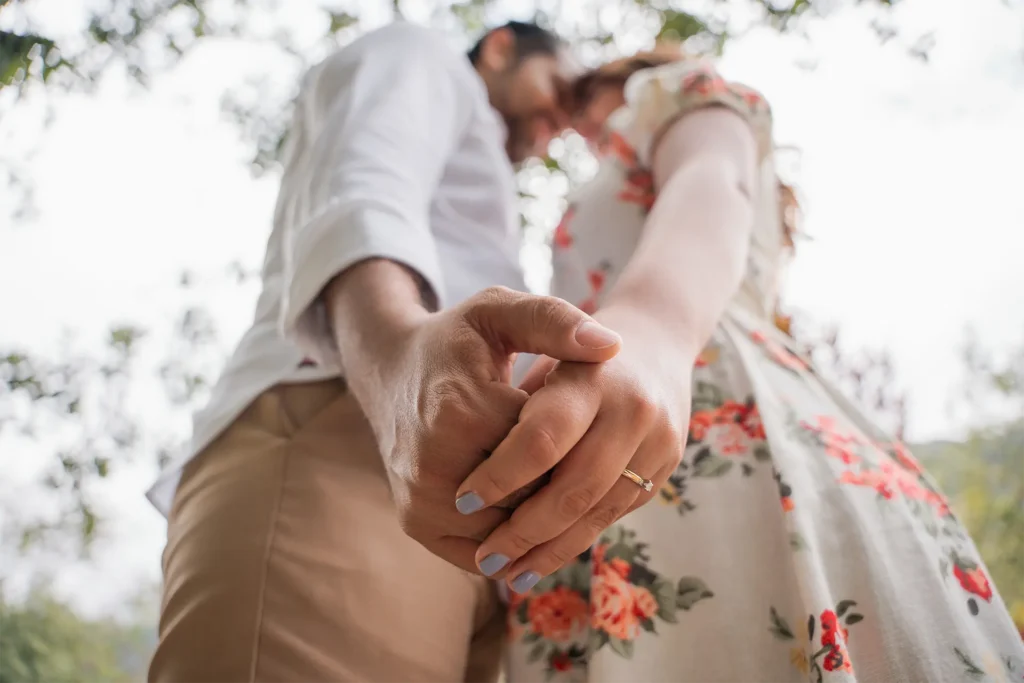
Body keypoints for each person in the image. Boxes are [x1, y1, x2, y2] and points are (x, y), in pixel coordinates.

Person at [448, 50, 1024, 680]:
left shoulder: (668, 95)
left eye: (585, 105)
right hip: (603, 466)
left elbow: (711, 181)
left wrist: (652, 327)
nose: (580, 130)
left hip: (712, 398)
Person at [145, 20, 625, 683]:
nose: (558, 121)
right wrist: (395, 359)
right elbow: (363, 184)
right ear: (500, 48)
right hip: (344, 435)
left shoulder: (482, 166)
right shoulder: (421, 53)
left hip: (451, 517)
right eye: (557, 87)